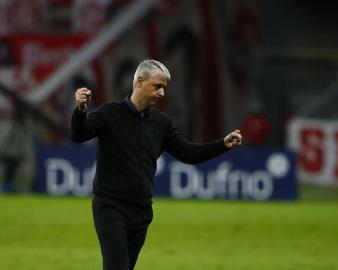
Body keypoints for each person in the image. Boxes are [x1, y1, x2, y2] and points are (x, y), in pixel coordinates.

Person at [70, 59, 243, 270]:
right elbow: (79, 135)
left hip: (142, 212)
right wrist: (80, 110)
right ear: (140, 82)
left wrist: (222, 145)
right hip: (110, 207)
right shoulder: (109, 113)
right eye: (158, 86)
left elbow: (188, 153)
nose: (162, 93)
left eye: (164, 88)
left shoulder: (161, 123)